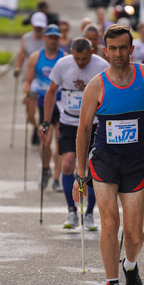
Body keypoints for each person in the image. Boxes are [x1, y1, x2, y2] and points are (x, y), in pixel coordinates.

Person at [74, 24, 144, 285]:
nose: (118, 53)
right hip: (104, 160)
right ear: (105, 51)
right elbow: (83, 130)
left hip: (134, 162)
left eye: (123, 48)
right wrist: (81, 174)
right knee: (109, 223)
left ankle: (130, 265)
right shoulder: (96, 85)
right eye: (113, 48)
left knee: (133, 233)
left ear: (131, 48)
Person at [41, 37, 109, 230]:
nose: (80, 63)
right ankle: (71, 210)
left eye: (84, 59)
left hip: (95, 123)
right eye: (77, 58)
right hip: (69, 122)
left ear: (91, 53)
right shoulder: (62, 65)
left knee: (91, 167)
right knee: (68, 162)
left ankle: (89, 214)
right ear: (71, 53)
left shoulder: (101, 65)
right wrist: (46, 121)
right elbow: (51, 92)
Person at [24, 24, 65, 188]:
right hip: (43, 102)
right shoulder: (35, 57)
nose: (53, 40)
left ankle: (56, 179)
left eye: (56, 37)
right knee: (45, 143)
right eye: (50, 37)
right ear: (44, 38)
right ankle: (46, 169)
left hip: (61, 103)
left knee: (60, 143)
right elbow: (27, 81)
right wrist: (28, 95)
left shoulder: (64, 57)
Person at [14, 11, 47, 145]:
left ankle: (41, 130)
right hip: (30, 78)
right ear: (32, 24)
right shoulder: (26, 38)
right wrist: (18, 68)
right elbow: (21, 55)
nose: (38, 29)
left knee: (44, 110)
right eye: (36, 26)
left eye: (41, 27)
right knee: (30, 111)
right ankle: (36, 126)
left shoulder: (48, 39)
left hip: (44, 79)